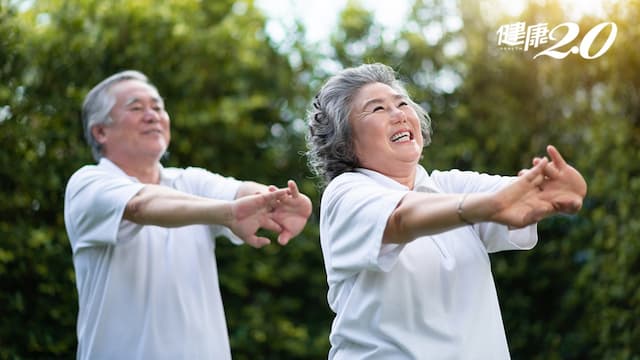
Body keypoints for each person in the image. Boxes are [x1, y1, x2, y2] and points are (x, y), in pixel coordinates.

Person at [306, 63, 587, 359]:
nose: (399, 114)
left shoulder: (448, 185)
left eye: (402, 103)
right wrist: (485, 207)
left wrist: (557, 187)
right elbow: (402, 218)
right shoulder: (346, 193)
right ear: (345, 140)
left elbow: (520, 195)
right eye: (377, 109)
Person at [64, 70, 312, 359]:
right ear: (100, 131)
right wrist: (228, 213)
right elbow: (140, 205)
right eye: (136, 107)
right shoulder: (88, 183)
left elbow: (241, 193)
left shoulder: (190, 181)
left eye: (158, 107)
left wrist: (276, 201)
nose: (152, 115)